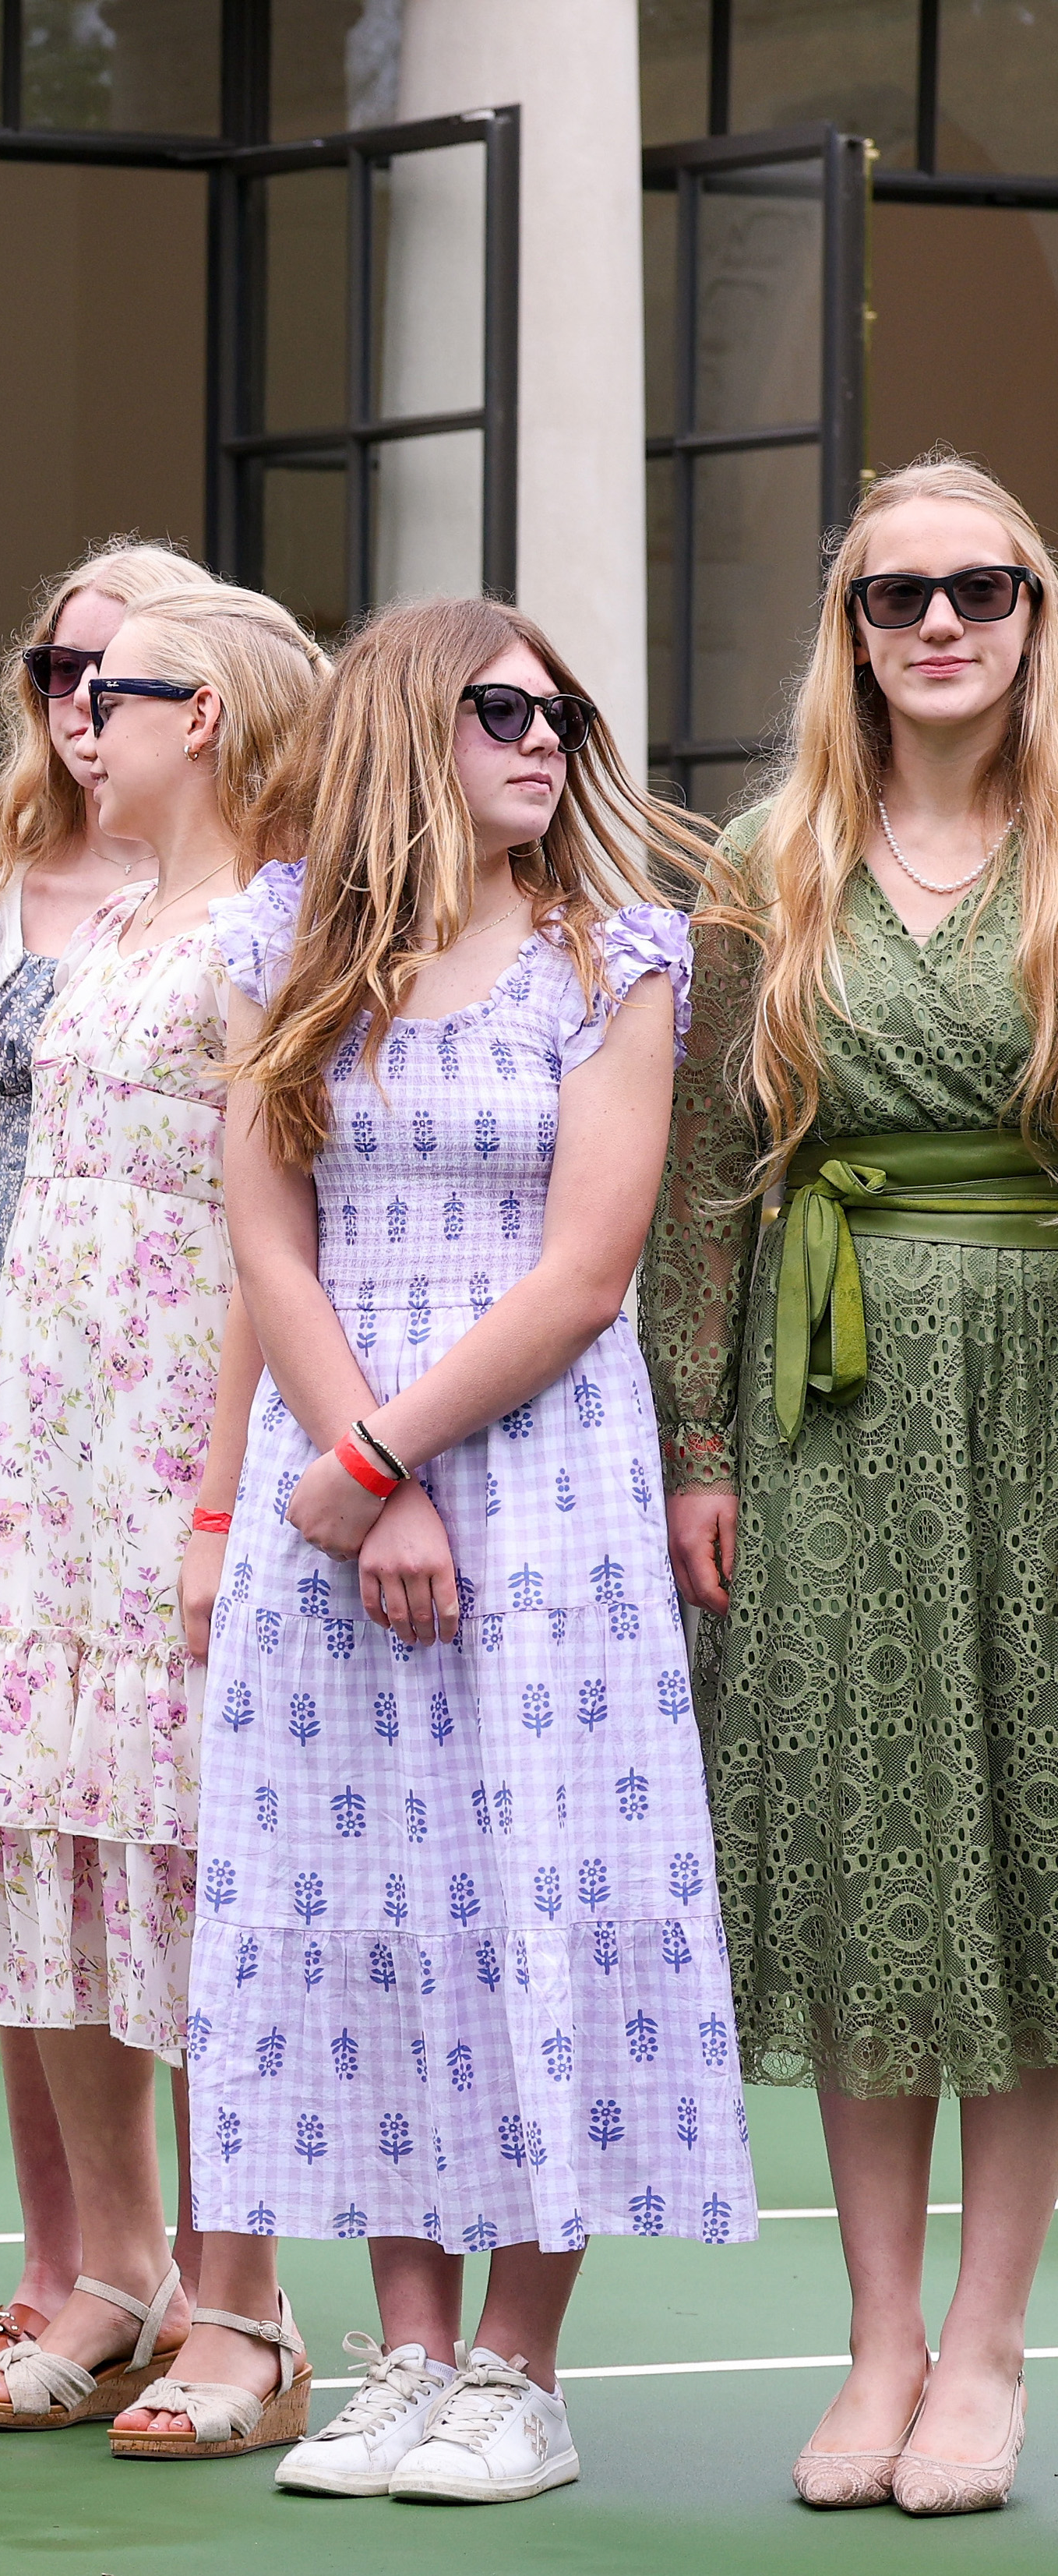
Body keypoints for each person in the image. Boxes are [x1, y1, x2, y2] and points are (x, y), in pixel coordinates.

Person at [195, 597, 735, 2497]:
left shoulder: (615, 956)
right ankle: (405, 2356)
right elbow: (265, 1239)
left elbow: (585, 1275)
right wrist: (361, 1476)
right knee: (364, 1910)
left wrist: (382, 1454)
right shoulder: (274, 945)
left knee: (536, 1894)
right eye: (499, 709)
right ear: (403, 729)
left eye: (557, 714)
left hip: (539, 1490)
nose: (541, 739)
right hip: (339, 1486)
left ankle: (519, 2369)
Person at [640, 453, 1058, 2519]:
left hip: (1043, 1392)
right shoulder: (766, 854)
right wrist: (694, 1444)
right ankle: (879, 2339)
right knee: (869, 1867)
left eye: (981, 587)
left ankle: (987, 2347)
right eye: (899, 594)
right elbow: (709, 1175)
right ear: (851, 630)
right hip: (825, 1406)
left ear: (1033, 615)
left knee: (1032, 1867)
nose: (941, 622)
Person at [0, 585, 323, 2434]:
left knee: (189, 1864)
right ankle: (113, 2268)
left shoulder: (268, 932)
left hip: (173, 1443)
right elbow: (41, 1204)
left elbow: (267, 1241)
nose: (78, 715)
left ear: (204, 716)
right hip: (52, 1443)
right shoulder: (109, 923)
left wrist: (224, 1501)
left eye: (116, 690)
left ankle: (244, 2305)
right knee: (54, 1847)